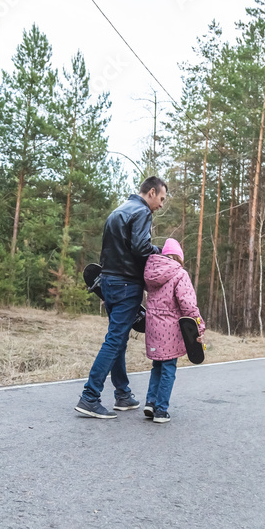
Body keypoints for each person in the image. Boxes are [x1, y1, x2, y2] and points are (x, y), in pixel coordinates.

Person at [75, 176, 167, 419]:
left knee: (119, 339)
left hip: (108, 281)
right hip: (127, 284)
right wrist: (161, 252)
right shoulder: (142, 212)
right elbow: (141, 248)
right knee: (115, 340)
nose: (161, 204)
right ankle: (90, 397)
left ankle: (123, 394)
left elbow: (109, 251)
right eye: (161, 198)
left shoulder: (118, 211)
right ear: (151, 192)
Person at [141, 238, 204, 424]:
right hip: (170, 329)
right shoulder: (179, 274)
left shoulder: (150, 272)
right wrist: (199, 326)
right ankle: (161, 410)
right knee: (168, 368)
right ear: (178, 257)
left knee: (157, 366)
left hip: (153, 327)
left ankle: (151, 402)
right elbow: (188, 304)